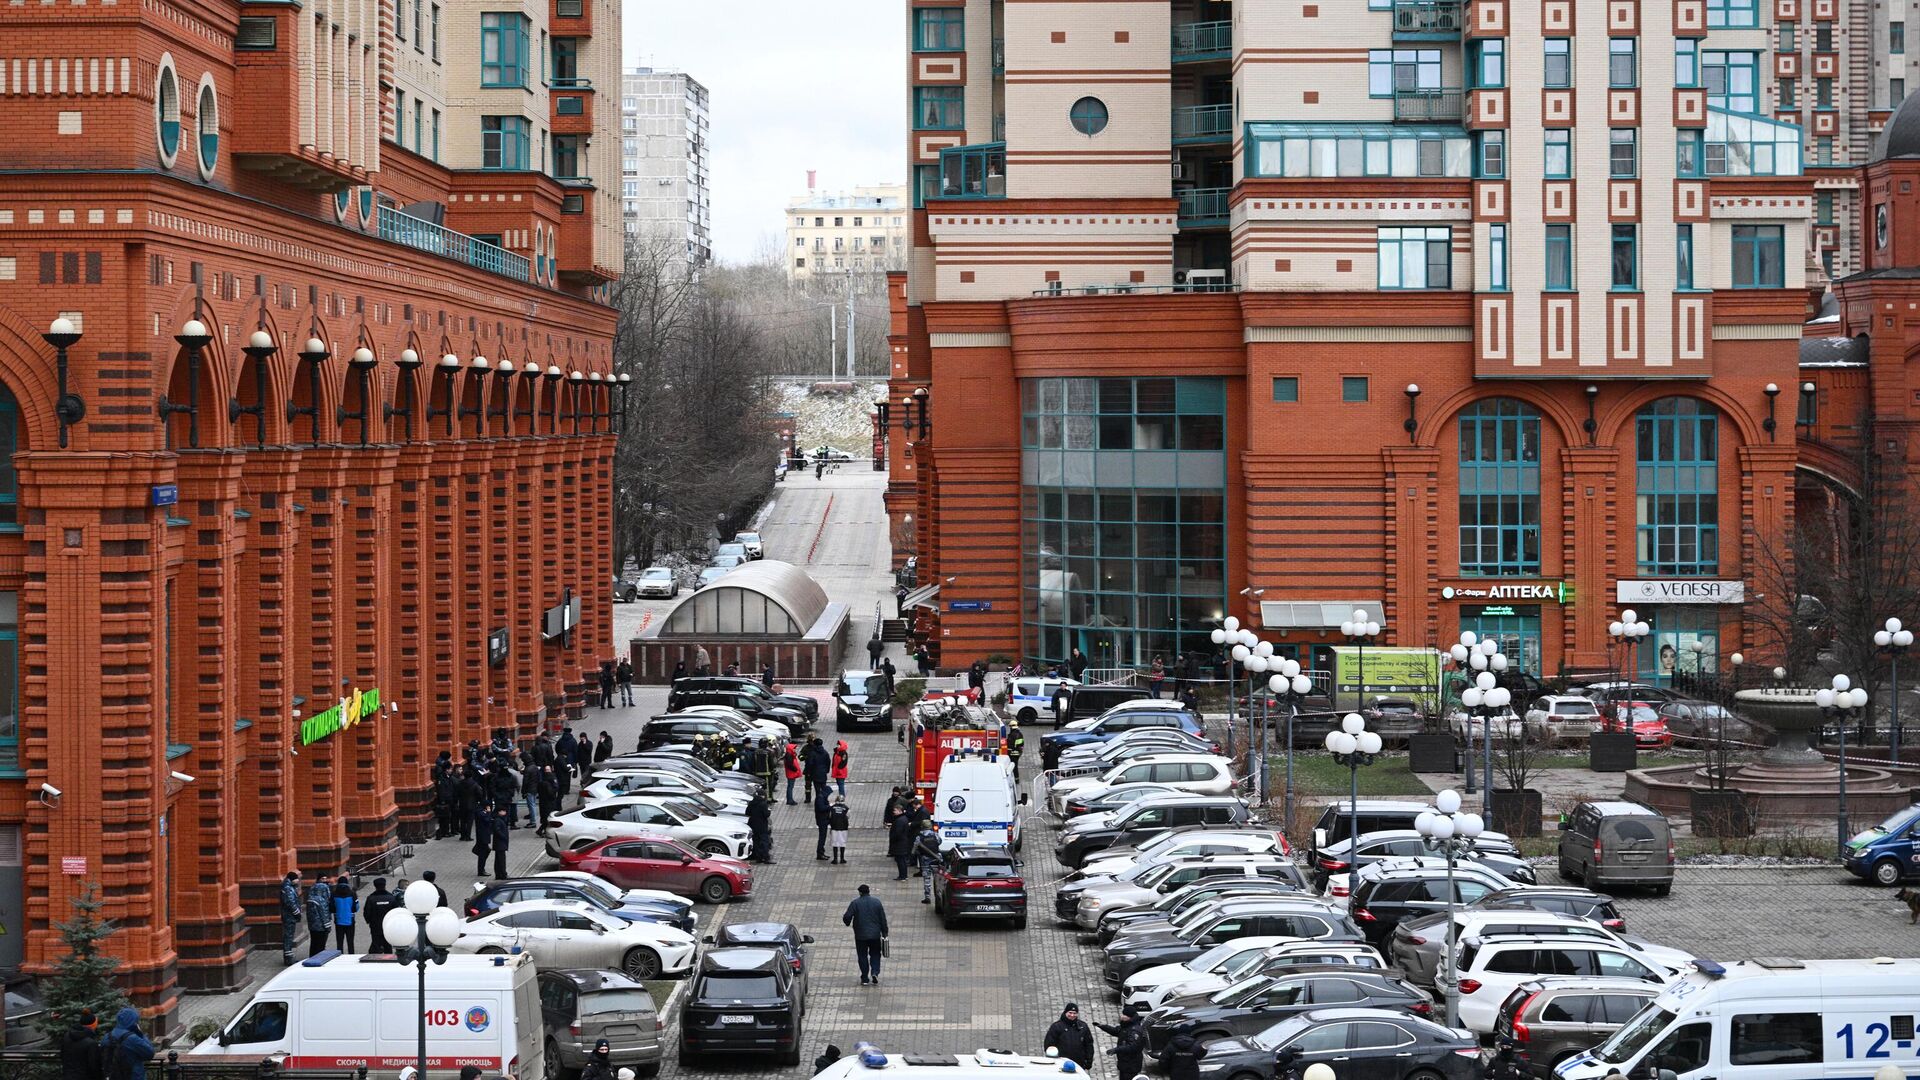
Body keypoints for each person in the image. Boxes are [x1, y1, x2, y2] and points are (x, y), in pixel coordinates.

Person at [841, 883, 889, 986]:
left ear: (860, 893)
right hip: (875, 935)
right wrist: (885, 932)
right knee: (875, 953)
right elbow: (883, 919)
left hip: (860, 935)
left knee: (862, 955)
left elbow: (847, 916)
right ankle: (875, 972)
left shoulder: (855, 903)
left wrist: (847, 922)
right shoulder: (877, 902)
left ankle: (864, 978)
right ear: (869, 892)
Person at [99, 1007, 153, 1080]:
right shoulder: (132, 1038)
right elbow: (149, 1053)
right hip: (133, 1076)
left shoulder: (107, 1037)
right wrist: (141, 1034)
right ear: (132, 1021)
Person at [1097, 1005, 1148, 1080]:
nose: (1122, 1016)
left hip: (1131, 1065)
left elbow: (1132, 1047)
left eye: (1124, 1015)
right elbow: (1116, 1031)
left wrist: (1116, 1050)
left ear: (1129, 1017)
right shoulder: (1127, 1025)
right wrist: (1103, 1026)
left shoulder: (1134, 1030)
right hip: (1124, 1063)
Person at [1045, 1004, 1096, 1072]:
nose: (1072, 1015)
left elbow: (1089, 1045)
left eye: (1074, 1013)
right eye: (1070, 1013)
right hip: (1061, 1064)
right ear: (1065, 1012)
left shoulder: (1083, 1026)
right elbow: (1049, 1046)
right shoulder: (1056, 1027)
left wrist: (1089, 1061)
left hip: (1079, 1064)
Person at [59, 1008, 101, 1080]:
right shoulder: (91, 1043)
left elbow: (62, 1055)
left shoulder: (67, 1036)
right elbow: (93, 1065)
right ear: (93, 1026)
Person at [912, 820, 944, 903]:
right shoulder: (935, 835)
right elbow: (940, 842)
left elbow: (914, 850)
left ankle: (927, 897)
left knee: (927, 879)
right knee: (937, 879)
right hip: (936, 859)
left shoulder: (919, 837)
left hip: (925, 860)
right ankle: (938, 897)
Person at [363, 878, 398, 953]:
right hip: (388, 927)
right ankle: (388, 961)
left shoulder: (371, 898)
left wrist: (369, 921)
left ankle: (376, 960)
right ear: (385, 885)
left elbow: (366, 913)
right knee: (388, 946)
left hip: (375, 927)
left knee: (376, 945)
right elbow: (396, 912)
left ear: (375, 886)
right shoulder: (391, 898)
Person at [279, 869, 303, 965]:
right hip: (289, 916)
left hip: (289, 916)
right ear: (292, 879)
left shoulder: (289, 887)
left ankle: (289, 956)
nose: (298, 881)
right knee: (288, 936)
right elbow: (290, 902)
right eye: (296, 879)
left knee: (289, 935)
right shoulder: (288, 889)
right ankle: (288, 958)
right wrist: (297, 913)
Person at [888, 801, 917, 881]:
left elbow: (898, 833)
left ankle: (902, 876)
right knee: (902, 860)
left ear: (900, 811)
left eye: (895, 810)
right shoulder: (903, 818)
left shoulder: (899, 820)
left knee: (900, 860)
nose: (894, 812)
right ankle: (904, 875)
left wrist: (893, 839)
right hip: (902, 843)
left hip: (899, 844)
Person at [305, 876, 333, 956]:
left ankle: (311, 958)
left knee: (313, 944)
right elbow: (324, 915)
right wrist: (328, 927)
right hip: (321, 927)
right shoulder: (321, 900)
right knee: (320, 946)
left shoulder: (310, 899)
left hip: (312, 926)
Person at [331, 874, 358, 954]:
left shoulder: (334, 894)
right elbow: (356, 907)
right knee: (350, 942)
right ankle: (351, 956)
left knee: (339, 942)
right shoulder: (352, 893)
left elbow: (331, 907)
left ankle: (340, 957)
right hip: (350, 920)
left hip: (338, 921)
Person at [746, 789, 774, 864]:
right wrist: (769, 811)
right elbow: (766, 814)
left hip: (753, 825)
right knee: (764, 841)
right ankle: (766, 858)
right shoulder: (763, 804)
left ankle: (758, 858)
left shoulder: (751, 803)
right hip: (762, 825)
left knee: (756, 841)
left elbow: (747, 812)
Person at [488, 803, 511, 879]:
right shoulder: (498, 820)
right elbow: (497, 830)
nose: (505, 812)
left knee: (498, 860)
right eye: (503, 811)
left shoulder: (500, 819)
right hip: (500, 843)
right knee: (501, 860)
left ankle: (499, 874)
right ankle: (503, 874)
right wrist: (503, 836)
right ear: (499, 812)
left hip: (500, 844)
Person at [828, 794, 851, 864]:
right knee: (842, 843)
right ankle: (842, 858)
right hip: (843, 828)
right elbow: (848, 816)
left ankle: (835, 859)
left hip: (834, 827)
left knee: (835, 843)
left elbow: (829, 816)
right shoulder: (846, 808)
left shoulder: (832, 808)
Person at [813, 788, 833, 861]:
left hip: (823, 819)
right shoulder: (820, 798)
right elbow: (821, 808)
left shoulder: (822, 797)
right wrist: (830, 807)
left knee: (823, 837)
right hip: (822, 820)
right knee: (822, 837)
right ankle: (820, 853)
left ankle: (821, 852)